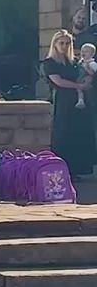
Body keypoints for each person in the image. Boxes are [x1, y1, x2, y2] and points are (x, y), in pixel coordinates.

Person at [42, 30, 96, 177]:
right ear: (55, 44)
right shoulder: (50, 62)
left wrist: (87, 80)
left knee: (77, 133)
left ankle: (75, 169)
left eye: (67, 43)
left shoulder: (73, 62)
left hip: (77, 100)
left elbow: (84, 73)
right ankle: (59, 169)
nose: (64, 46)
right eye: (61, 43)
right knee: (62, 133)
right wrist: (79, 86)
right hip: (62, 100)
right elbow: (58, 81)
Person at [77, 43, 97, 109]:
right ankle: (80, 100)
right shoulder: (81, 62)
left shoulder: (92, 63)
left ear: (92, 54)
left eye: (86, 51)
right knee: (78, 89)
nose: (83, 53)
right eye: (82, 51)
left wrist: (87, 68)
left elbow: (93, 74)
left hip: (88, 80)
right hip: (80, 79)